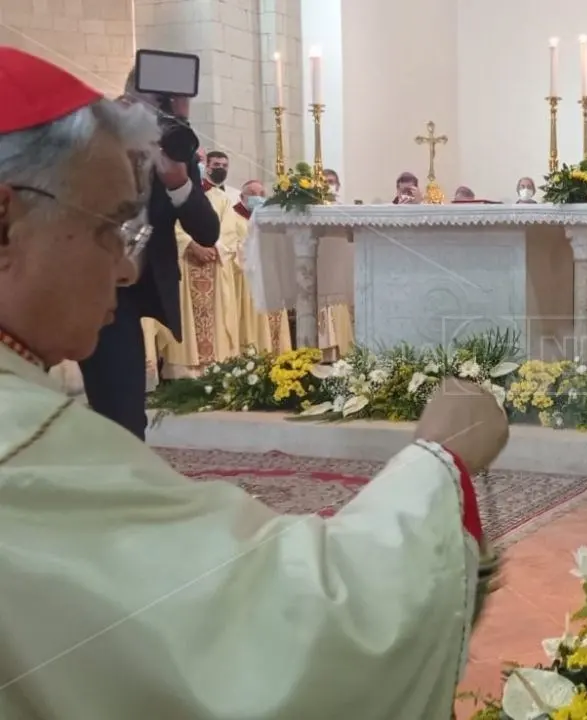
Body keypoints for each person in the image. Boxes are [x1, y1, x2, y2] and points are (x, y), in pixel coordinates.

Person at [0, 49, 508, 717]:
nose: (126, 272)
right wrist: (438, 464)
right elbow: (293, 636)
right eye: (109, 229)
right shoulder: (28, 460)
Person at [76, 64, 220, 438]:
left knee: (126, 410)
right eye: (160, 103)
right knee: (112, 407)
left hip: (135, 285)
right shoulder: (93, 131)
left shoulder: (175, 144)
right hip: (86, 277)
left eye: (174, 105)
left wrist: (179, 185)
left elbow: (207, 231)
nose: (166, 114)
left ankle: (126, 473)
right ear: (127, 99)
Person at [158, 150, 240, 378]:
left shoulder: (221, 198)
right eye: (203, 162)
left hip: (214, 263)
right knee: (185, 316)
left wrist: (214, 247)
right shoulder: (168, 194)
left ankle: (217, 369)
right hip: (184, 264)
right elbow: (168, 226)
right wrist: (192, 245)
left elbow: (229, 230)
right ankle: (184, 373)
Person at [232, 180, 291, 353]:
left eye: (261, 194)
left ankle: (278, 355)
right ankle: (253, 355)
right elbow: (232, 244)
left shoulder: (270, 217)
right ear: (243, 196)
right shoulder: (232, 216)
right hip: (247, 278)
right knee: (253, 322)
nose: (258, 198)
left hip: (270, 275)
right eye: (252, 193)